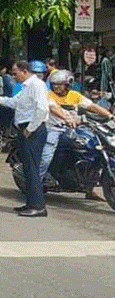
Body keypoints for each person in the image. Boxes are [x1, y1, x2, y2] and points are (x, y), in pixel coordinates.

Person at [0, 61, 49, 217]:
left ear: (24, 71)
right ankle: (31, 203)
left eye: (15, 73)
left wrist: (30, 129)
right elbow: (14, 102)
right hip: (24, 129)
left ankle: (38, 206)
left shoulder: (37, 85)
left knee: (33, 168)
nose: (13, 77)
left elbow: (42, 109)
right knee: (27, 168)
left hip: (32, 130)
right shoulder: (26, 88)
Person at [42, 70, 113, 200]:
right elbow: (53, 108)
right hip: (54, 129)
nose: (56, 87)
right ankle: (37, 181)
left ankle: (89, 189)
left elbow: (92, 106)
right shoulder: (49, 95)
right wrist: (66, 118)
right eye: (54, 84)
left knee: (94, 149)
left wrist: (110, 115)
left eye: (60, 84)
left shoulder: (74, 95)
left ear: (68, 84)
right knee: (47, 154)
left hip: (74, 128)